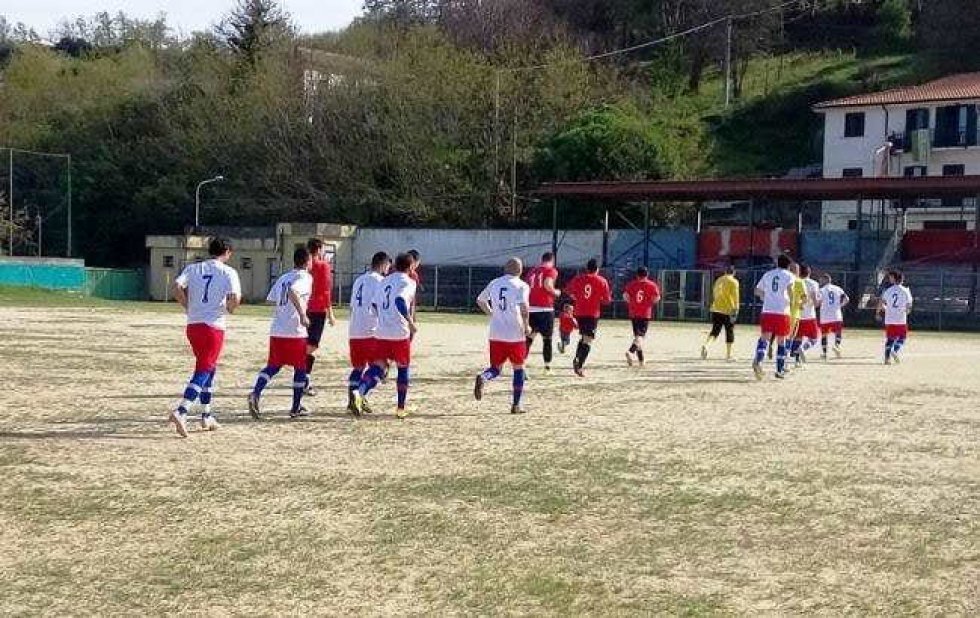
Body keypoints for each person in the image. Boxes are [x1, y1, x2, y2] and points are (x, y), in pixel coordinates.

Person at [169, 237, 242, 438]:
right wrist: (230, 309)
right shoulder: (228, 272)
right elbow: (236, 298)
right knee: (204, 369)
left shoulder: (194, 268)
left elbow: (176, 287)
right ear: (226, 251)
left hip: (193, 325)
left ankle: (206, 415)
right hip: (213, 327)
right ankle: (181, 411)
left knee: (209, 367)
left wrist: (188, 306)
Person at [247, 248, 314, 420]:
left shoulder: (284, 277)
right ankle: (295, 407)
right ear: (307, 262)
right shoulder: (305, 277)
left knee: (273, 366)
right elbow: (293, 291)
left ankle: (255, 392)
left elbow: (272, 299)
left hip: (277, 329)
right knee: (300, 368)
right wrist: (302, 314)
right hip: (295, 330)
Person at [351, 253, 418, 418]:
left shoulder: (384, 280)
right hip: (399, 333)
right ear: (410, 267)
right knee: (403, 369)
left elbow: (373, 306)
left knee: (377, 366)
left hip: (381, 333)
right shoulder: (409, 282)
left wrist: (383, 318)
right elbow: (400, 301)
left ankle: (359, 392)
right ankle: (401, 408)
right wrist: (410, 322)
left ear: (394, 265)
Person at [473, 258, 532, 414]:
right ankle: (516, 405)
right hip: (515, 332)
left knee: (495, 368)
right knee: (519, 368)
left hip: (496, 331)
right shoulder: (521, 285)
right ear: (520, 270)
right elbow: (524, 308)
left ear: (505, 269)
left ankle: (484, 377)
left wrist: (492, 314)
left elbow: (480, 300)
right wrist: (526, 326)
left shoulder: (495, 283)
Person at [346, 251, 391, 412]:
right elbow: (379, 306)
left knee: (358, 367)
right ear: (383, 264)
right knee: (381, 367)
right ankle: (360, 393)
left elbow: (352, 306)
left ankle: (353, 398)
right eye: (387, 266)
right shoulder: (381, 281)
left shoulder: (359, 280)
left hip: (355, 329)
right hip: (372, 330)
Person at [565, 258, 612, 377]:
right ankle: (579, 364)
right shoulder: (602, 281)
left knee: (583, 337)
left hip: (579, 312)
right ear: (597, 269)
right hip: (592, 313)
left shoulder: (578, 278)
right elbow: (607, 300)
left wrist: (577, 298)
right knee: (588, 340)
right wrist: (598, 299)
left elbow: (568, 291)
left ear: (587, 268)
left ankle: (577, 358)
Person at [753, 254, 795, 380]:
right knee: (781, 341)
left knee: (765, 338)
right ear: (788, 265)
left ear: (777, 263)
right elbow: (790, 291)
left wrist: (766, 296)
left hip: (767, 311)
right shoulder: (789, 275)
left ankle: (759, 361)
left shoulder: (768, 274)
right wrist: (791, 303)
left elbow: (757, 290)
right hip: (782, 312)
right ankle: (779, 370)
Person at [304, 238, 336, 396]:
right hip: (317, 309)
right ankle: (304, 378)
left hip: (303, 308)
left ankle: (304, 378)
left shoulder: (304, 265)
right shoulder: (322, 265)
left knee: (308, 344)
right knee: (311, 346)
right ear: (319, 249)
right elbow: (325, 290)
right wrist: (330, 313)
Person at [524, 252, 561, 373]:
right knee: (547, 339)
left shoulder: (532, 271)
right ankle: (547, 367)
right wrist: (556, 292)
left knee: (529, 338)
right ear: (552, 260)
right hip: (545, 309)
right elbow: (547, 284)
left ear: (541, 259)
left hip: (531, 308)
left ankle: (521, 365)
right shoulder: (551, 270)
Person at [622, 266, 661, 367]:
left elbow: (625, 296)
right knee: (640, 336)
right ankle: (631, 351)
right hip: (645, 313)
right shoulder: (652, 285)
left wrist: (631, 303)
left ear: (637, 275)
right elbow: (657, 298)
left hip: (633, 313)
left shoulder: (631, 284)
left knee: (637, 336)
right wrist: (650, 303)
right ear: (647, 274)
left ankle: (641, 360)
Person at [702, 265, 740, 361]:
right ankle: (728, 355)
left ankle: (706, 345)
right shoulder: (734, 282)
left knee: (715, 331)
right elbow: (736, 297)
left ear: (725, 271)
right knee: (729, 331)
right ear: (734, 272)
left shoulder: (719, 280)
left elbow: (714, 293)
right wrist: (736, 309)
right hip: (728, 310)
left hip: (716, 308)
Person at [877, 269, 913, 365]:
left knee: (890, 339)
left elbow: (882, 303)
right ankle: (895, 350)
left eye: (890, 277)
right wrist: (907, 311)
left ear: (893, 278)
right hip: (901, 318)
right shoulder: (905, 290)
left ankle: (887, 358)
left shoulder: (888, 290)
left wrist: (882, 310)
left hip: (889, 318)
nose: (889, 279)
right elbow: (909, 305)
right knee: (902, 337)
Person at [789, 263, 821, 366]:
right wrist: (820, 301)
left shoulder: (795, 281)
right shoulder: (813, 284)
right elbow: (816, 302)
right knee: (814, 338)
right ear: (809, 272)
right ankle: (803, 348)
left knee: (797, 338)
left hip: (796, 314)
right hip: (809, 316)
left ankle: (797, 360)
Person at [818, 273, 849, 359]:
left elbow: (818, 301)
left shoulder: (822, 290)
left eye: (821, 280)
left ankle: (824, 353)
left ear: (825, 280)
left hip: (825, 315)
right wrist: (840, 305)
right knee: (838, 333)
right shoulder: (838, 288)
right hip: (836, 315)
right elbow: (847, 299)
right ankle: (837, 346)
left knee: (824, 335)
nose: (820, 281)